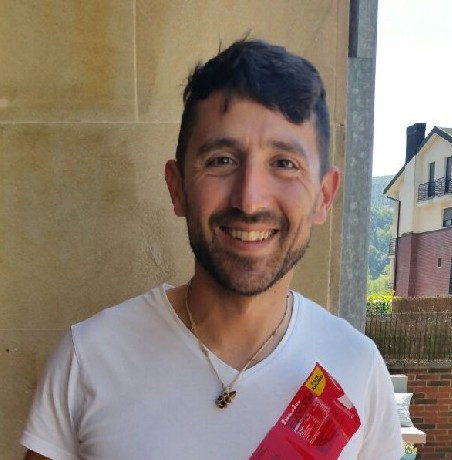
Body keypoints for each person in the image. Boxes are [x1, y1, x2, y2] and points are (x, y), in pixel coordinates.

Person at [22, 39, 404, 459]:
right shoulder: (88, 357)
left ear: (324, 197)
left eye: (284, 163)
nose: (250, 200)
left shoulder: (357, 367)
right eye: (222, 160)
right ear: (177, 188)